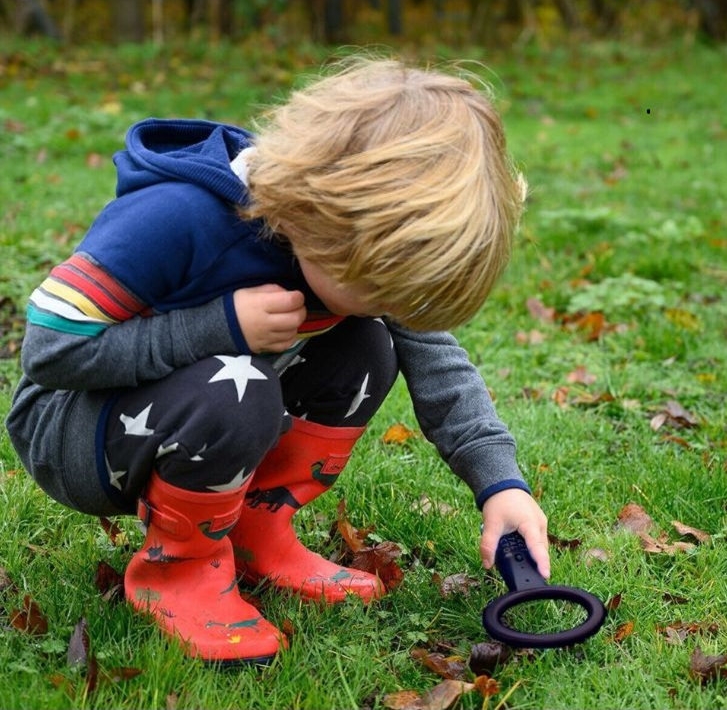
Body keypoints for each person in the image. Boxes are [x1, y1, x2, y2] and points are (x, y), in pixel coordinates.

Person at [5, 57, 549, 666]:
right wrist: (219, 326)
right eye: (383, 290)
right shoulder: (176, 218)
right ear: (320, 224)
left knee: (368, 344)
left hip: (185, 405)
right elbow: (50, 352)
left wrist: (500, 484)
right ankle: (178, 570)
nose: (394, 306)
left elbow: (436, 359)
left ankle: (251, 529)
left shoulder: (345, 239)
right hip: (74, 431)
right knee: (239, 387)